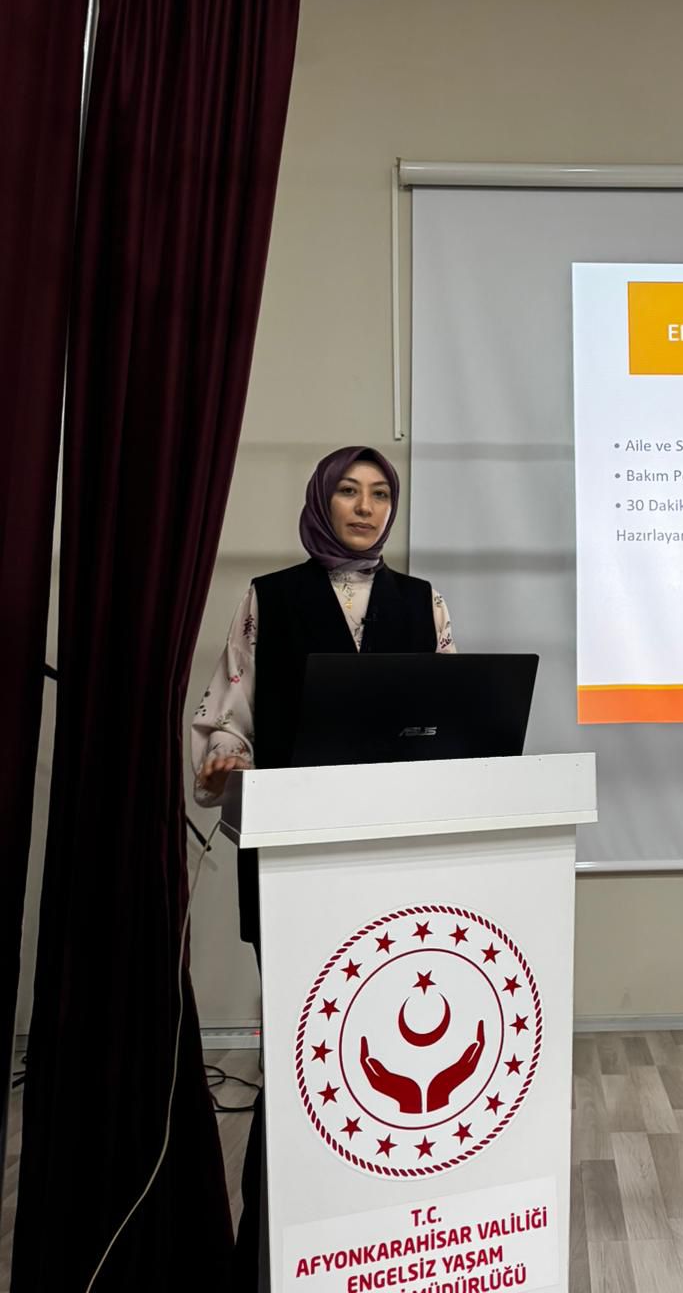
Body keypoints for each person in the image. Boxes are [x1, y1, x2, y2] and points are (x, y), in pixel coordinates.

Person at [190, 444, 455, 1288]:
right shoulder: (267, 599)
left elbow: (454, 717)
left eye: (380, 493)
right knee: (308, 1060)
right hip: (297, 864)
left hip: (396, 866)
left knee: (387, 1057)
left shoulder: (424, 603)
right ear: (321, 501)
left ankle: (386, 1241)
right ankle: (275, 1252)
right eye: (349, 490)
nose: (366, 507)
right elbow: (229, 718)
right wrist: (225, 760)